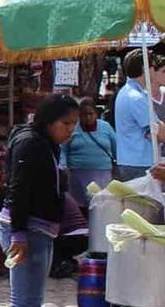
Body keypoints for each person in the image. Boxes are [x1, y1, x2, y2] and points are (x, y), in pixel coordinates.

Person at [0, 94, 79, 307]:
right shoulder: (31, 144)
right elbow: (18, 189)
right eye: (65, 123)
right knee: (26, 305)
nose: (69, 130)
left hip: (36, 229)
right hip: (27, 231)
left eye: (73, 125)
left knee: (24, 303)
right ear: (49, 121)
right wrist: (19, 235)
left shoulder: (44, 144)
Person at [114, 49, 165, 180]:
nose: (155, 70)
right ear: (145, 69)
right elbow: (158, 133)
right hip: (139, 164)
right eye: (153, 66)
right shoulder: (135, 97)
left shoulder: (131, 93)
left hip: (134, 162)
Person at [62, 97, 116, 203]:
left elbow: (116, 147)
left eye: (91, 114)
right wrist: (63, 166)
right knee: (79, 205)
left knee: (101, 204)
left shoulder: (105, 127)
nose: (88, 117)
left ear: (96, 114)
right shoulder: (73, 128)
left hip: (102, 174)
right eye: (84, 115)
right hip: (77, 174)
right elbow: (63, 149)